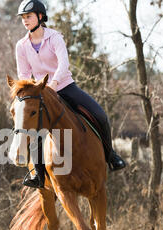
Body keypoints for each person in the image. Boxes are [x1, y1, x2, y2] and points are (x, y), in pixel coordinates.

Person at [15, 0, 126, 189]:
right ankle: (37, 174)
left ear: (40, 17)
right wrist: (30, 91)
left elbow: (63, 64)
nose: (25, 20)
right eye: (23, 18)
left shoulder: (55, 38)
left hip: (65, 86)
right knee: (32, 129)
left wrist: (53, 85)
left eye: (29, 16)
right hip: (39, 94)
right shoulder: (21, 45)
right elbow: (23, 75)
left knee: (99, 114)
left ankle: (111, 156)